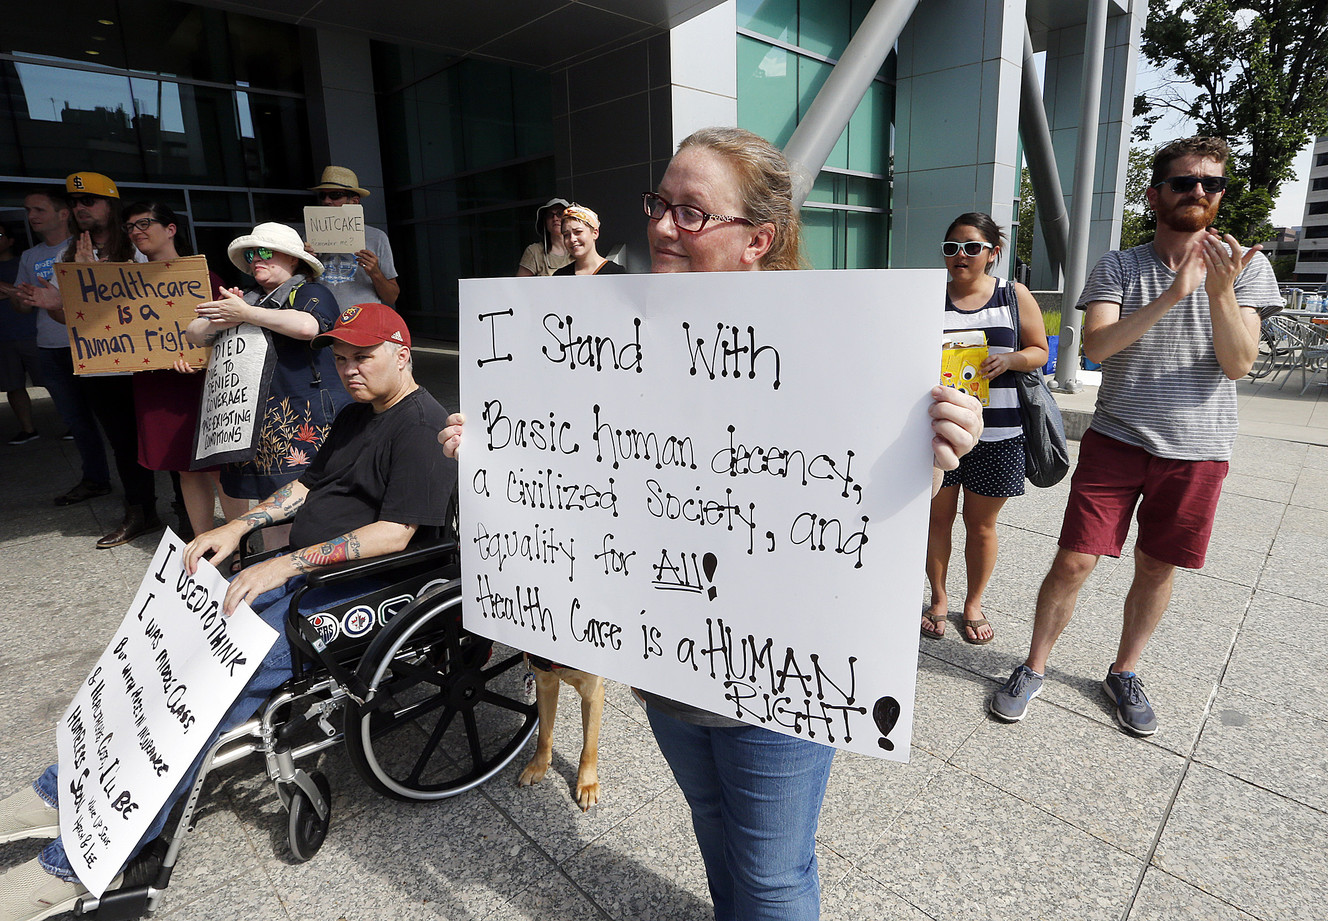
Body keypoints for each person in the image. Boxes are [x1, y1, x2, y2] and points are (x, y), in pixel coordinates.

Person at [441, 126, 983, 921]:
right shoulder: (611, 335)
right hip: (668, 663)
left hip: (784, 679)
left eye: (691, 211)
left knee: (771, 872)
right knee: (711, 823)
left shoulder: (839, 345)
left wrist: (936, 449)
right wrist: (492, 450)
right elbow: (585, 465)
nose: (661, 224)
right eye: (659, 203)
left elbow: (855, 496)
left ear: (757, 239)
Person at [0, 303, 457, 921]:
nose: (349, 369)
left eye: (363, 357)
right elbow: (306, 488)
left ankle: (86, 863)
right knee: (171, 649)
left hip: (361, 587)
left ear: (403, 351)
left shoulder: (424, 428)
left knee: (210, 692)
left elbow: (396, 534)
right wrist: (239, 526)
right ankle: (64, 789)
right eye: (341, 358)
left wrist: (284, 565)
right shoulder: (355, 415)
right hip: (308, 574)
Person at [988, 136, 1282, 736]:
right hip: (1118, 440)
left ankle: (1124, 671)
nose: (1199, 191)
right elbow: (1096, 347)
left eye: (1211, 184)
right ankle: (1034, 665)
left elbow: (1238, 363)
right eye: (1184, 182)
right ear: (1155, 195)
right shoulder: (1120, 265)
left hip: (1198, 449)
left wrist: (1219, 291)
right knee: (1073, 562)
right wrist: (1176, 295)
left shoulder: (1247, 269)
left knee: (1155, 566)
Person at [16, 172, 161, 547]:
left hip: (147, 360)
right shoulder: (69, 254)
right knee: (123, 443)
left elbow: (155, 303)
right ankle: (140, 511)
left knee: (163, 435)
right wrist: (54, 304)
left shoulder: (139, 244)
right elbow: (70, 316)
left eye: (89, 201)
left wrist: (93, 275)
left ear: (109, 205)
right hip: (101, 364)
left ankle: (184, 511)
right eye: (75, 202)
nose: (80, 207)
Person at [923, 213, 1048, 644]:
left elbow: (1039, 350)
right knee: (936, 522)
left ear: (993, 253)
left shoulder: (1013, 295)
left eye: (972, 247)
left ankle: (972, 602)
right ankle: (938, 598)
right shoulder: (926, 297)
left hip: (998, 432)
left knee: (981, 526)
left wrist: (1009, 360)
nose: (960, 255)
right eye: (951, 246)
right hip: (939, 432)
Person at [186, 223, 353, 507]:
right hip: (259, 424)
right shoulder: (246, 299)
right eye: (251, 254)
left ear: (292, 258)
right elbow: (194, 332)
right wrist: (229, 318)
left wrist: (247, 313)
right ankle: (276, 554)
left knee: (308, 501)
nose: (257, 259)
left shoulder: (311, 292)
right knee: (269, 504)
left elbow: (307, 327)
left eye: (265, 251)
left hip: (303, 417)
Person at [123, 201, 248, 538]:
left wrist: (200, 358)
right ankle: (202, 541)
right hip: (156, 385)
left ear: (171, 229)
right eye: (131, 226)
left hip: (202, 385)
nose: (137, 232)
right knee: (185, 470)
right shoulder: (125, 282)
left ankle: (239, 544)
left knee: (219, 469)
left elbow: (231, 333)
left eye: (145, 223)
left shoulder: (201, 277)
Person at [9, 189, 110, 504]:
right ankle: (95, 479)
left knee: (111, 417)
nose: (32, 216)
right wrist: (23, 298)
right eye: (28, 210)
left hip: (89, 344)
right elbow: (25, 310)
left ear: (62, 213)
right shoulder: (29, 256)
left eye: (39, 209)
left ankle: (139, 486)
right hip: (49, 347)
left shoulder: (83, 248)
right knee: (75, 420)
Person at [306, 166, 399, 306]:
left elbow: (391, 297)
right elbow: (301, 287)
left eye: (335, 195)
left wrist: (375, 273)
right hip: (323, 321)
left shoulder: (377, 237)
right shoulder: (309, 238)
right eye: (322, 195)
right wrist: (306, 264)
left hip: (363, 322)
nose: (326, 201)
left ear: (354, 201)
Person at [0, 221, 44, 445]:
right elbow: (19, 293)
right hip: (4, 340)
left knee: (53, 382)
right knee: (13, 386)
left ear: (10, 240)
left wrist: (8, 289)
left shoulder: (24, 262)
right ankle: (28, 430)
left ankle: (73, 424)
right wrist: (14, 291)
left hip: (32, 334)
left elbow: (31, 293)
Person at [551, 204, 625, 276]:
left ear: (595, 233)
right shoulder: (561, 276)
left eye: (578, 232)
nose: (572, 239)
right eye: (566, 235)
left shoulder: (616, 274)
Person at [516, 197, 572, 276]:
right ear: (545, 222)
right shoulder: (534, 252)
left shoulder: (578, 249)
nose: (555, 218)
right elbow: (520, 284)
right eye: (550, 215)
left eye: (560, 214)